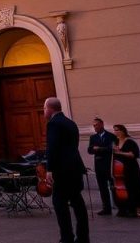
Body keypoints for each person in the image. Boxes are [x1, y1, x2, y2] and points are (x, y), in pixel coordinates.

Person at [44, 97, 89, 243]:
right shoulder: (71, 123)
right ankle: (83, 237)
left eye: (44, 108)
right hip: (75, 167)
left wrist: (49, 169)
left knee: (59, 203)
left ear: (50, 109)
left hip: (62, 170)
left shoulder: (54, 123)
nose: (43, 111)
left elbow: (53, 147)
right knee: (77, 202)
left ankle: (67, 237)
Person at [110, 124, 140, 218]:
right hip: (120, 169)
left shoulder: (130, 142)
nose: (115, 132)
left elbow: (133, 155)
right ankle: (125, 208)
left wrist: (120, 152)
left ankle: (139, 208)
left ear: (122, 131)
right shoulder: (116, 141)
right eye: (114, 130)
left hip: (131, 168)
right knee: (123, 188)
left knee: (134, 187)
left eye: (117, 130)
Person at [87, 117, 116, 216]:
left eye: (96, 125)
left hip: (109, 165)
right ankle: (106, 208)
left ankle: (119, 205)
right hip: (99, 166)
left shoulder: (111, 136)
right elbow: (90, 150)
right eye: (93, 126)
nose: (95, 127)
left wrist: (99, 148)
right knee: (102, 188)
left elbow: (111, 148)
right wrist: (95, 149)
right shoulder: (93, 138)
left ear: (102, 124)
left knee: (113, 187)